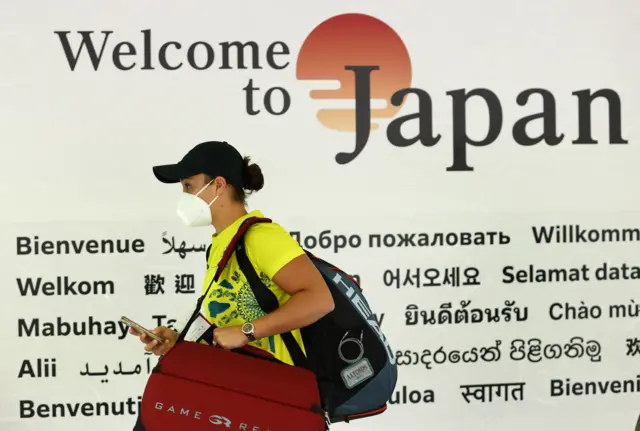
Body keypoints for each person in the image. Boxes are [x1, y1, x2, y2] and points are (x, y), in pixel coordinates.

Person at [129, 140, 335, 365]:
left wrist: (247, 331)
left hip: (284, 390)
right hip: (247, 389)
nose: (183, 196)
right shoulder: (222, 245)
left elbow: (320, 300)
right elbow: (227, 330)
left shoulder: (261, 237)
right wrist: (178, 343)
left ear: (218, 185)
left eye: (189, 186)